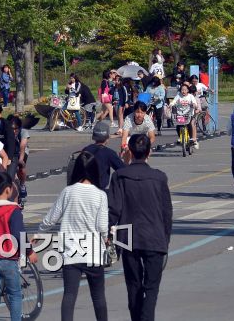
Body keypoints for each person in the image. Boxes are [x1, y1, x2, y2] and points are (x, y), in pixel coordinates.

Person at [108, 134, 173, 321]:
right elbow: (166, 213)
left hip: (128, 239)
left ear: (129, 151)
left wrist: (108, 233)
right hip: (155, 238)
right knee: (151, 289)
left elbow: (114, 209)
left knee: (133, 286)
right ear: (149, 153)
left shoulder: (119, 177)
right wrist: (165, 239)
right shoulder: (159, 178)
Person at [39, 151, 109, 321]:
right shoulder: (100, 195)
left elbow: (52, 218)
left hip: (71, 253)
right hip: (93, 253)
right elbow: (101, 226)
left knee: (69, 295)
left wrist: (40, 232)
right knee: (98, 297)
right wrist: (106, 238)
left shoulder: (68, 192)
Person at [0, 171, 38, 321]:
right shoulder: (13, 210)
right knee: (15, 295)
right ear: (8, 190)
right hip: (8, 258)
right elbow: (19, 235)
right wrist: (30, 251)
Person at [82, 121, 125, 190]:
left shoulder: (85, 149)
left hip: (83, 187)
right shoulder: (109, 153)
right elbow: (123, 169)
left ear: (93, 137)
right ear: (107, 137)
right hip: (100, 189)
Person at [169, 84, 200, 149]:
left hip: (189, 113)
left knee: (189, 125)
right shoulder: (178, 96)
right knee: (178, 125)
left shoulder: (190, 96)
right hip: (180, 114)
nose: (183, 91)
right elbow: (174, 101)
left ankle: (191, 138)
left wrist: (194, 105)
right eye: (182, 90)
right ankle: (180, 137)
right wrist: (171, 104)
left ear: (188, 90)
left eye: (185, 90)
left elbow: (194, 102)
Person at [8, 116, 30, 198]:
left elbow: (22, 146)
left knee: (21, 166)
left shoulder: (23, 132)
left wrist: (20, 160)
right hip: (10, 151)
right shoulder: (6, 131)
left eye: (16, 128)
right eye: (11, 129)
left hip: (22, 151)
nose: (14, 131)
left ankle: (22, 184)